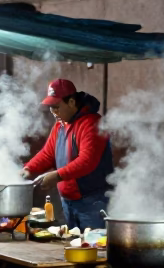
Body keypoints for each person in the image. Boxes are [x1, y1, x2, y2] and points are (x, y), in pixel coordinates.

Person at [21, 79, 114, 230]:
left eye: (56, 107)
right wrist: (28, 169)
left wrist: (57, 176)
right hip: (68, 202)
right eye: (51, 108)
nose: (53, 112)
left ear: (71, 102)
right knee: (73, 244)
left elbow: (87, 160)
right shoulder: (60, 125)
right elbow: (48, 153)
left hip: (93, 202)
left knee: (94, 248)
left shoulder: (92, 124)